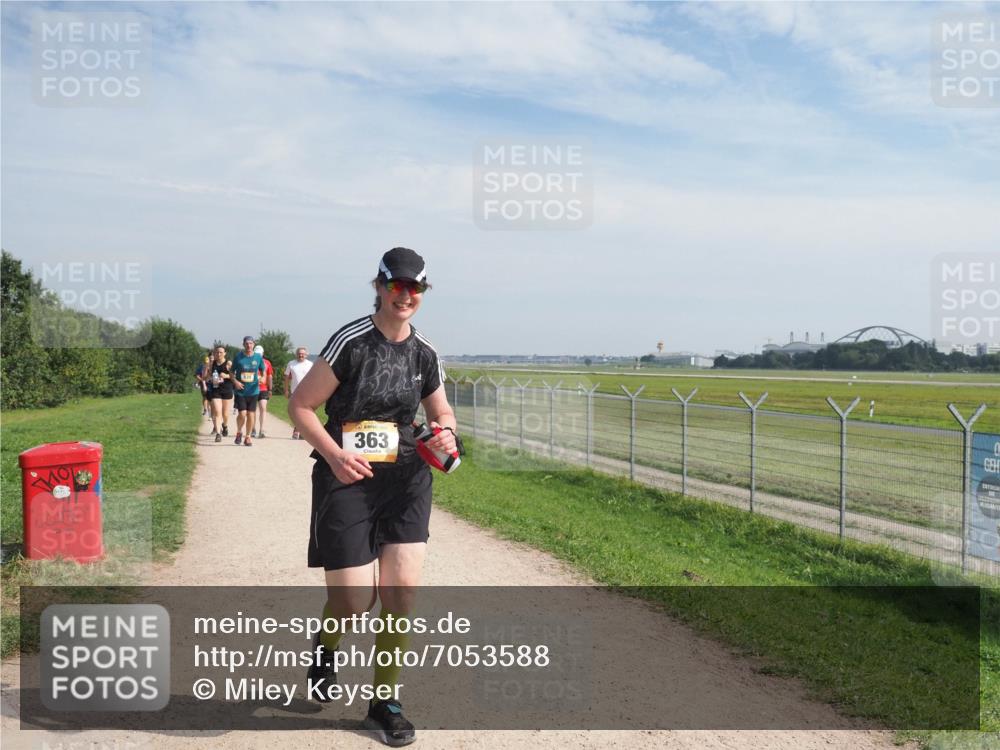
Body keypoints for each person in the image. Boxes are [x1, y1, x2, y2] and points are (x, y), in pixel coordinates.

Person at [288, 247, 456, 747]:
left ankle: (384, 701)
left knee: (400, 593)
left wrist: (445, 434)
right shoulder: (351, 342)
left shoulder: (425, 353)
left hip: (406, 481)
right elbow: (300, 405)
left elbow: (442, 412)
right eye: (397, 285)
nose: (406, 295)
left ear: (423, 293)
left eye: (416, 288)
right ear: (379, 286)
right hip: (348, 479)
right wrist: (336, 455)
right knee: (353, 599)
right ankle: (326, 644)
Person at [232, 335, 265, 447]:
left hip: (253, 391)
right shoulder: (238, 357)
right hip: (241, 391)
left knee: (251, 415)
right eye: (247, 343)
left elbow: (263, 371)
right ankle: (239, 432)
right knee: (242, 414)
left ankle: (248, 437)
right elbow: (231, 373)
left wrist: (263, 378)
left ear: (253, 345)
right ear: (243, 345)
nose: (249, 345)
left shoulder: (258, 357)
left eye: (251, 343)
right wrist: (236, 382)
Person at [284, 346, 313, 439]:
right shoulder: (291, 364)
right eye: (299, 353)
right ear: (296, 354)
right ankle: (298, 430)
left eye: (303, 354)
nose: (301, 355)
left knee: (305, 413)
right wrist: (286, 389)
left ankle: (299, 431)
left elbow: (314, 378)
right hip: (294, 391)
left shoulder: (310, 364)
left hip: (307, 392)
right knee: (296, 412)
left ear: (306, 355)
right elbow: (286, 377)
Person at [208, 346, 234, 442]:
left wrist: (226, 375)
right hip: (216, 389)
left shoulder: (229, 363)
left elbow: (234, 376)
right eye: (217, 352)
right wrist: (211, 378)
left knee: (225, 414)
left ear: (225, 353)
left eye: (221, 352)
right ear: (215, 353)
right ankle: (218, 433)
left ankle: (225, 425)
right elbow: (209, 375)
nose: (219, 354)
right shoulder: (212, 363)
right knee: (217, 412)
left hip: (227, 389)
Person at [252, 345, 274, 439]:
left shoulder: (267, 363)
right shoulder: (250, 362)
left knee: (263, 408)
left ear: (262, 354)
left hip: (263, 389)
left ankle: (262, 430)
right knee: (252, 410)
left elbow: (269, 376)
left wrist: (270, 389)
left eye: (260, 354)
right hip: (251, 389)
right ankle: (253, 429)